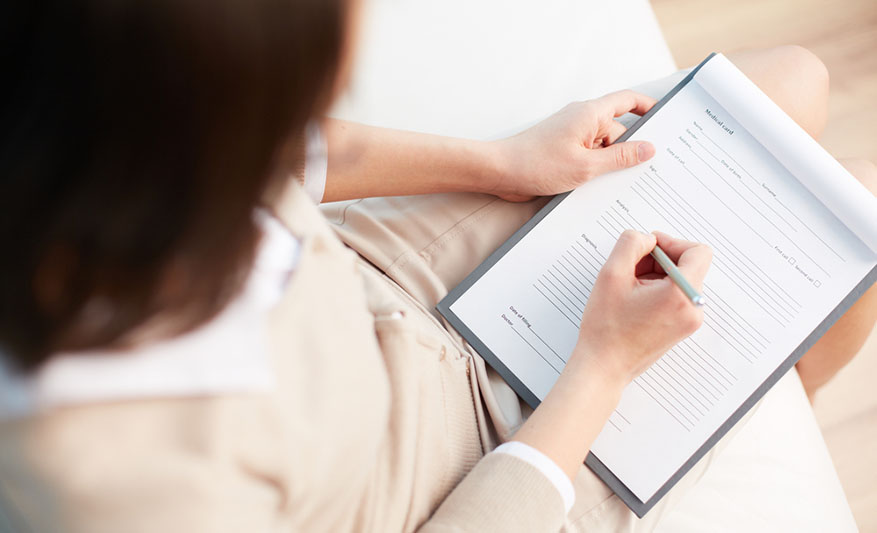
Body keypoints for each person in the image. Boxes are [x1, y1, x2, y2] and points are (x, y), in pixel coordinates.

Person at [0, 1, 874, 531]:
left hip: (377, 285)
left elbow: (286, 150)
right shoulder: (124, 486)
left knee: (788, 84)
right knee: (840, 272)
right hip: (441, 482)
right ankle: (754, 407)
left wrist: (506, 161)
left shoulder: (85, 114)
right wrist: (603, 367)